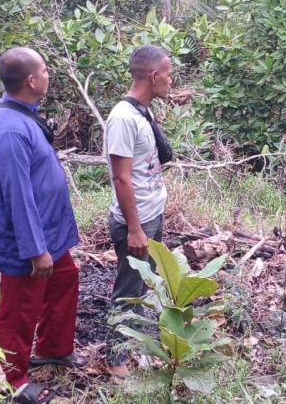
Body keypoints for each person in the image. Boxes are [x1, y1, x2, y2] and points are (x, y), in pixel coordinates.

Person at [0, 47, 83, 404]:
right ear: (31, 80)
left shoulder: (23, 113)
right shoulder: (9, 130)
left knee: (66, 277)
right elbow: (17, 196)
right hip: (28, 240)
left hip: (50, 231)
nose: (49, 73)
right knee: (19, 309)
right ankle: (14, 382)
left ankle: (54, 349)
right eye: (45, 69)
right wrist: (36, 251)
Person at [104, 45, 173, 379]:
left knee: (145, 288)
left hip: (151, 215)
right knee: (129, 290)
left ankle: (135, 346)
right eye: (169, 74)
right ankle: (115, 358)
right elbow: (120, 177)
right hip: (137, 222)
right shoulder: (122, 118)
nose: (171, 82)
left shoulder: (142, 112)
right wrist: (134, 228)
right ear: (154, 75)